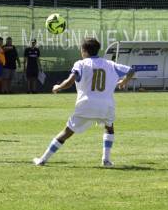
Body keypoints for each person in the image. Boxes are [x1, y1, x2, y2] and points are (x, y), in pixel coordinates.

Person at [33, 37, 134, 168]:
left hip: (86, 104)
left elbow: (70, 81)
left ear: (84, 51)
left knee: (67, 132)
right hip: (106, 105)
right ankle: (106, 160)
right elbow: (131, 70)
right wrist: (124, 82)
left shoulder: (80, 64)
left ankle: (42, 159)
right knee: (109, 128)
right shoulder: (110, 64)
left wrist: (58, 87)